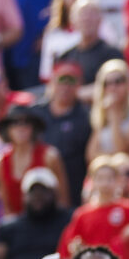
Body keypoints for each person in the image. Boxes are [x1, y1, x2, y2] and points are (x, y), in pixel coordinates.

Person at [0, 167, 70, 259]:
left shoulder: (70, 222)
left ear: (54, 193)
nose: (38, 196)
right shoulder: (8, 228)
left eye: (43, 190)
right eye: (32, 191)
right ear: (24, 196)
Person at [0, 105, 69, 215]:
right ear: (7, 129)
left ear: (33, 128)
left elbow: (63, 199)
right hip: (18, 227)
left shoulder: (49, 156)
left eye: (26, 123)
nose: (21, 128)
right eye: (14, 123)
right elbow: (6, 205)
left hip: (49, 221)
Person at [37, 63, 93, 196]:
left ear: (79, 85)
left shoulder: (86, 116)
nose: (65, 87)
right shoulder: (36, 113)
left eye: (71, 81)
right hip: (42, 184)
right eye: (61, 80)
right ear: (51, 82)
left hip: (76, 184)